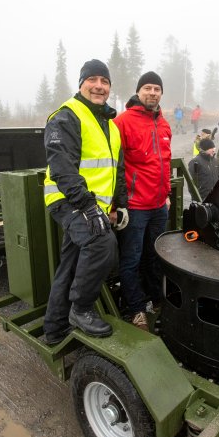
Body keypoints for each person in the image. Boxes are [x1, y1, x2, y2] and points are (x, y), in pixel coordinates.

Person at [42, 59, 128, 344]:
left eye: (104, 81)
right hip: (67, 199)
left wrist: (121, 204)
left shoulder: (110, 125)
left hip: (92, 205)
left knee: (72, 261)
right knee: (101, 242)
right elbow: (62, 168)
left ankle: (54, 329)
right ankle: (80, 309)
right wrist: (88, 207)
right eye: (92, 80)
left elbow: (117, 169)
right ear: (81, 84)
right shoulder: (66, 116)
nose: (99, 86)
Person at [113, 71, 172, 331]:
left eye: (157, 88)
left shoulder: (164, 124)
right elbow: (112, 166)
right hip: (135, 208)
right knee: (131, 259)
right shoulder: (122, 122)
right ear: (138, 92)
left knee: (155, 256)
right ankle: (137, 309)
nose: (152, 92)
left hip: (159, 206)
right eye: (147, 87)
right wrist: (116, 206)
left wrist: (167, 193)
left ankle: (157, 301)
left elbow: (164, 163)